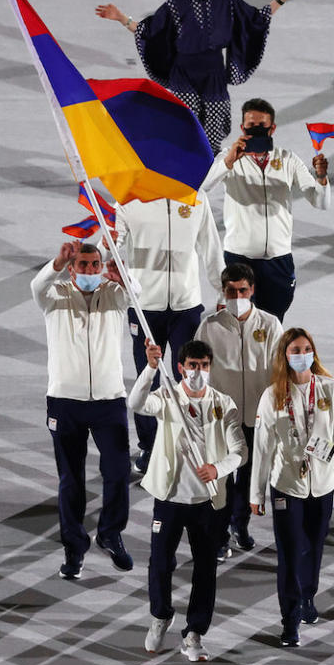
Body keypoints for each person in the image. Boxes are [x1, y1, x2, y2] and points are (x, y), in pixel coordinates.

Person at [95, 0, 305, 153]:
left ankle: (209, 169)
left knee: (214, 130)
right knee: (187, 124)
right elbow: (150, 32)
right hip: (183, 74)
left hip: (214, 73)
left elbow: (254, 20)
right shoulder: (176, 4)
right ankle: (183, 170)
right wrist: (122, 18)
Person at [129, 339, 246, 661]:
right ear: (181, 367)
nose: (198, 371)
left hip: (208, 502)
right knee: (160, 563)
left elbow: (240, 452)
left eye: (204, 366)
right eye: (192, 365)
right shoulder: (167, 396)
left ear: (211, 368)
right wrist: (151, 368)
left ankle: (194, 633)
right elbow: (136, 403)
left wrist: (217, 468)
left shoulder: (224, 404)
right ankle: (160, 615)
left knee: (205, 569)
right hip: (169, 497)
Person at [31, 240, 137, 579]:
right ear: (73, 267)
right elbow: (36, 286)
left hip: (109, 399)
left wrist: (122, 275)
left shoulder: (115, 294)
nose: (90, 270)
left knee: (118, 470)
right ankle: (74, 548)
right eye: (83, 265)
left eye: (95, 264)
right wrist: (56, 261)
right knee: (71, 479)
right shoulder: (55, 295)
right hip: (65, 400)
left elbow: (140, 298)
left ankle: (110, 532)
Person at [250, 328, 334, 647]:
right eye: (295, 349)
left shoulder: (330, 388)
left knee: (315, 546)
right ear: (285, 354)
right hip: (286, 484)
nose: (301, 354)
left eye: (306, 348)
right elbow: (262, 446)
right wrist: (256, 493)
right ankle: (289, 619)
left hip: (321, 483)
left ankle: (308, 596)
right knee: (290, 554)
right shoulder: (272, 395)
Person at [111, 193, 225, 475]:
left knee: (190, 376)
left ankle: (190, 442)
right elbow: (112, 246)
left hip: (185, 305)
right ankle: (150, 446)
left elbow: (210, 246)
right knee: (146, 377)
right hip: (144, 305)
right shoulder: (128, 201)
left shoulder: (196, 199)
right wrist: (105, 246)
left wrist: (222, 290)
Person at [201, 98, 330, 320]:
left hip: (278, 260)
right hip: (239, 258)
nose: (257, 130)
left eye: (262, 126)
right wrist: (229, 161)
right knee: (236, 324)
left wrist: (321, 177)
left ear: (273, 128)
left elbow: (320, 202)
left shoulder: (288, 159)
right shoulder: (228, 157)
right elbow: (202, 187)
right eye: (251, 126)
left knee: (273, 324)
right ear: (242, 128)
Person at [194, 262, 282, 559]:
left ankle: (239, 526)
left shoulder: (270, 325)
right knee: (220, 481)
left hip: (257, 416)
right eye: (231, 291)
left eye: (242, 290)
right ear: (223, 290)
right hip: (222, 419)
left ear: (252, 290)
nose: (237, 295)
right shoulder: (210, 325)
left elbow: (278, 370)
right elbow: (197, 370)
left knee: (246, 478)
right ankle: (218, 536)